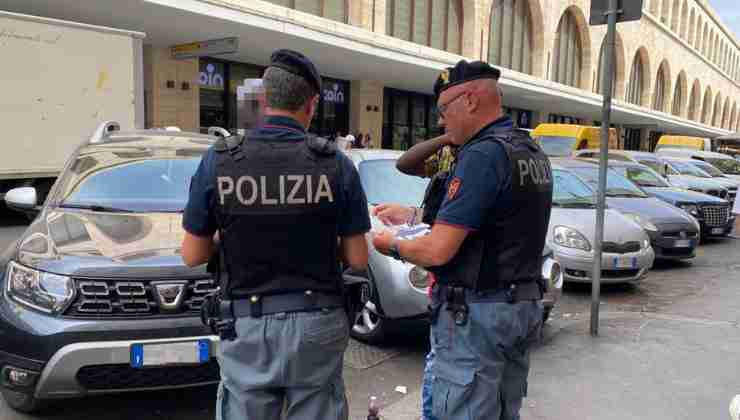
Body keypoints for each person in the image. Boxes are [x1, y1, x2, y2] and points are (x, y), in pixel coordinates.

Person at [181, 48, 370, 420]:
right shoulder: (336, 164)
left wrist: (236, 236)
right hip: (317, 320)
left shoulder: (220, 159)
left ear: (263, 99)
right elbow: (358, 258)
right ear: (312, 104)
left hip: (246, 324)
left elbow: (192, 254)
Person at [372, 59, 553, 419]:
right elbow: (489, 223)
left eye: (444, 110)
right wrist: (413, 216)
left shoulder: (483, 155)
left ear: (469, 101)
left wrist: (389, 244)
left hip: (477, 314)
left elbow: (438, 250)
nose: (441, 120)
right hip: (518, 306)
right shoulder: (528, 151)